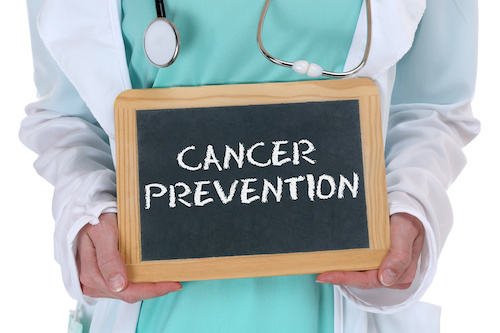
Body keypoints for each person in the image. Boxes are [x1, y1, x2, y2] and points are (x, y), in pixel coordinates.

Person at [20, 0, 480, 332]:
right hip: (155, 308)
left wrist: (411, 207)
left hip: (332, 297)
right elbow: (68, 115)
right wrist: (85, 215)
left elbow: (431, 106)